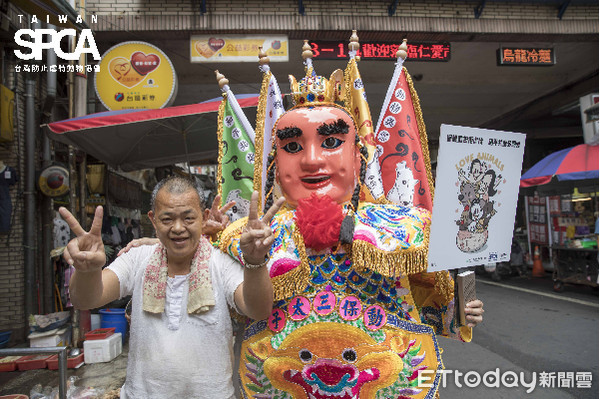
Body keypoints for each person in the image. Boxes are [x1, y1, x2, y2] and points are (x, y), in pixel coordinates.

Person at [219, 101, 484, 398]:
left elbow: (435, 304)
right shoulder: (248, 236)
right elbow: (232, 316)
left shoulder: (405, 227)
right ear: (275, 164)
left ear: (358, 157)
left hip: (386, 383)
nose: (311, 160)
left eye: (331, 142)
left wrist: (465, 305)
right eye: (292, 146)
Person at [60, 175, 284, 399]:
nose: (178, 228)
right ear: (153, 220)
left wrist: (255, 261)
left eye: (188, 218)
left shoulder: (220, 263)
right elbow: (86, 300)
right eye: (167, 219)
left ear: (204, 217)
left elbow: (258, 310)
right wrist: (87, 271)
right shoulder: (138, 259)